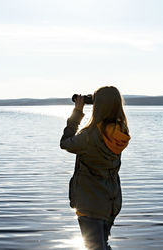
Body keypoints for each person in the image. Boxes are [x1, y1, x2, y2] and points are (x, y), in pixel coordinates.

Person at [60, 86, 131, 250]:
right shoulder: (121, 131)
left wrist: (77, 113)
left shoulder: (89, 136)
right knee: (102, 245)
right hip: (111, 202)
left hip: (90, 203)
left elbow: (65, 143)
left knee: (94, 247)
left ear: (98, 106)